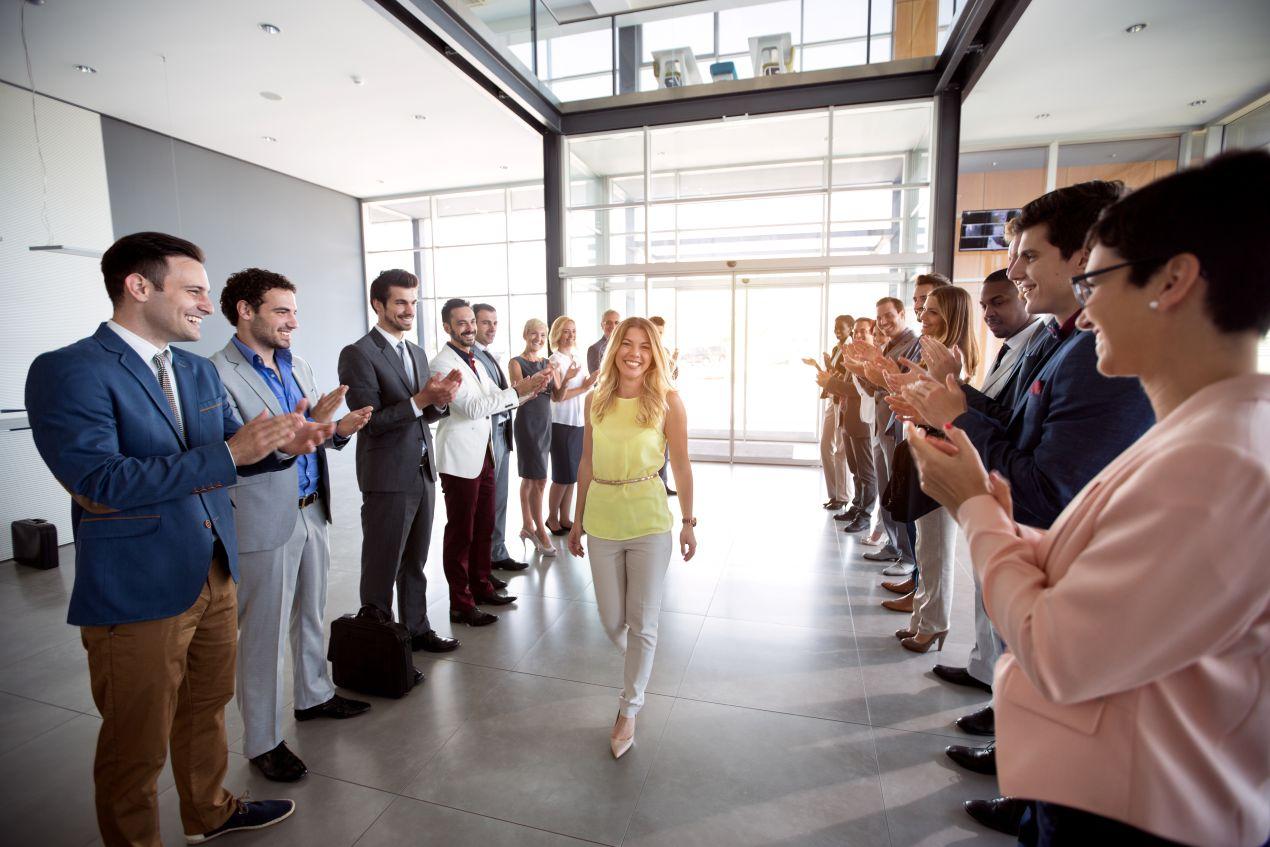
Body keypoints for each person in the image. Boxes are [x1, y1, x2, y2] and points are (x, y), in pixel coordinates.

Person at [905, 149, 1270, 847]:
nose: (1084, 304)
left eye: (1095, 279)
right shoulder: (1204, 435)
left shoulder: (1217, 463)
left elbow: (1058, 649)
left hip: (1146, 812)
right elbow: (1118, 570)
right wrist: (1013, 523)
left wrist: (977, 504)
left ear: (1173, 280)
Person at [24, 232, 330, 844]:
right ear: (140, 287)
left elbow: (225, 459)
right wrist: (230, 452)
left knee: (205, 709)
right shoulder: (68, 370)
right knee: (135, 741)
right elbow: (98, 481)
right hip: (138, 585)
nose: (206, 304)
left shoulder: (191, 369)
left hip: (214, 568)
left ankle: (208, 811)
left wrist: (279, 448)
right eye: (192, 290)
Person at [897, 180, 1155, 837]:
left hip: (1058, 566)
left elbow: (1044, 490)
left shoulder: (1099, 360)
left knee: (1054, 710)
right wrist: (951, 397)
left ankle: (1037, 799)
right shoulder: (1054, 339)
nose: (1014, 272)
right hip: (1038, 561)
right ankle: (1027, 788)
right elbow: (1011, 423)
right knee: (1027, 685)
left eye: (1029, 258)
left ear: (1086, 259)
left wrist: (956, 419)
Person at [211, 269, 374, 783]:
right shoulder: (216, 373)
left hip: (311, 506)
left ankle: (314, 694)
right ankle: (262, 739)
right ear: (245, 310)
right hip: (260, 514)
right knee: (261, 630)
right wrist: (292, 439)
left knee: (311, 609)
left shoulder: (298, 365)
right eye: (282, 311)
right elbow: (228, 453)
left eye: (294, 311)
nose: (293, 322)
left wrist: (335, 429)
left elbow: (308, 435)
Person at [567, 317, 696, 759]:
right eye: (627, 343)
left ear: (654, 353)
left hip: (648, 519)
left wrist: (689, 521)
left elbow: (680, 464)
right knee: (611, 619)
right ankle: (640, 656)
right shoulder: (596, 400)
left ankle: (630, 706)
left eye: (644, 346)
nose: (634, 353)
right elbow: (585, 461)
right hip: (602, 517)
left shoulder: (667, 401)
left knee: (643, 622)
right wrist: (576, 518)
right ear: (614, 348)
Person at [929, 269, 1044, 692]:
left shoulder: (1042, 347)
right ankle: (984, 667)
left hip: (1008, 480)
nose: (990, 312)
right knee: (987, 586)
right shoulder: (1010, 348)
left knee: (1003, 594)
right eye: (985, 305)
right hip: (992, 469)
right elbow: (996, 411)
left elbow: (1007, 423)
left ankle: (999, 688)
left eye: (999, 301)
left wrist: (951, 396)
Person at [338, 270, 461, 656]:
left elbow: (426, 415)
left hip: (423, 471)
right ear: (379, 305)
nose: (409, 310)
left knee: (415, 561)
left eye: (413, 302)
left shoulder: (417, 352)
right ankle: (382, 649)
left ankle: (417, 629)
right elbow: (369, 423)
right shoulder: (358, 354)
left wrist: (439, 401)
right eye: (400, 302)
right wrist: (422, 401)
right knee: (382, 565)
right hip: (387, 476)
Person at [432, 299, 554, 626]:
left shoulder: (475, 359)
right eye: (462, 323)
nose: (470, 327)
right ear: (447, 327)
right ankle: (460, 602)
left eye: (471, 321)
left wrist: (531, 389)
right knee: (462, 532)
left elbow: (498, 399)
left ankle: (482, 586)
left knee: (485, 524)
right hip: (459, 458)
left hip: (484, 452)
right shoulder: (443, 364)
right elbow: (473, 408)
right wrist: (519, 391)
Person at [890, 285, 980, 653]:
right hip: (926, 449)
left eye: (931, 312)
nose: (922, 317)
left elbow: (951, 414)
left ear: (951, 317)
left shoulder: (953, 359)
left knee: (937, 546)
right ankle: (924, 617)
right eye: (923, 310)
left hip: (943, 454)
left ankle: (933, 623)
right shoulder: (934, 355)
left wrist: (917, 406)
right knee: (928, 543)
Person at [472, 303, 527, 576]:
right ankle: (484, 561)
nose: (491, 328)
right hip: (486, 441)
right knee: (486, 505)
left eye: (494, 322)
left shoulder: (490, 356)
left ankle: (497, 551)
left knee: (500, 499)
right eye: (485, 322)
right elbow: (484, 402)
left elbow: (505, 397)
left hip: (502, 436)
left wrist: (526, 392)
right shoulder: (470, 358)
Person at [510, 318, 557, 557]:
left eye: (542, 335)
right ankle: (540, 530)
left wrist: (564, 376)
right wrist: (537, 383)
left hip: (545, 422)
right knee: (537, 479)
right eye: (534, 334)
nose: (538, 339)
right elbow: (517, 396)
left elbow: (558, 396)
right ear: (525, 334)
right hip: (527, 423)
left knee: (531, 479)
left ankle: (527, 524)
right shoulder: (516, 362)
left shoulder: (548, 362)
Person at [546, 316, 597, 534]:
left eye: (573, 331)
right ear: (557, 334)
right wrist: (585, 386)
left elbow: (584, 387)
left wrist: (590, 382)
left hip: (578, 423)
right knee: (561, 476)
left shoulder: (577, 358)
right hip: (561, 423)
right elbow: (559, 396)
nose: (570, 335)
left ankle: (565, 517)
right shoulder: (553, 361)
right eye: (566, 331)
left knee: (573, 476)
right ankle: (551, 518)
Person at [817, 315, 854, 510]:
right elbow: (833, 375)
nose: (837, 331)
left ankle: (843, 496)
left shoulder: (851, 349)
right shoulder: (835, 349)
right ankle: (833, 493)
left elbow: (846, 379)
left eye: (841, 328)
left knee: (841, 450)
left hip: (844, 402)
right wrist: (826, 366)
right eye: (835, 328)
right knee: (825, 446)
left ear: (851, 329)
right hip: (833, 400)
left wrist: (830, 367)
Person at [648, 315, 680, 495]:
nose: (657, 335)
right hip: (650, 404)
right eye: (654, 331)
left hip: (663, 403)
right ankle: (653, 484)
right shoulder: (645, 351)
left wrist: (673, 362)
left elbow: (671, 377)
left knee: (665, 449)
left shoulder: (665, 351)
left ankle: (663, 483)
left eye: (660, 332)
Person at [587, 308, 621, 373]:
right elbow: (596, 380)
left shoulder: (624, 345)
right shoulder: (594, 349)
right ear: (602, 325)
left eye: (616, 323)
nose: (613, 326)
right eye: (608, 323)